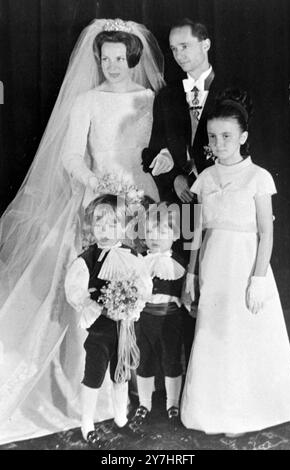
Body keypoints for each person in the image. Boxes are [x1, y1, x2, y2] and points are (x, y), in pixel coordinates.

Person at [0, 18, 164, 444]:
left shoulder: (149, 97)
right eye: (105, 58)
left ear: (132, 57)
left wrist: (142, 188)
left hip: (140, 198)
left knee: (139, 286)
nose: (112, 65)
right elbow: (72, 156)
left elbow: (155, 149)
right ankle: (83, 387)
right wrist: (100, 188)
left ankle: (131, 389)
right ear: (98, 59)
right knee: (89, 290)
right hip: (98, 202)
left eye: (119, 57)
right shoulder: (87, 101)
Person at [181, 89, 290, 436]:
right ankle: (213, 411)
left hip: (246, 267)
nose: (219, 143)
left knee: (242, 337)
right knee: (214, 336)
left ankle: (245, 413)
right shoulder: (204, 178)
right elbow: (197, 232)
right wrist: (190, 274)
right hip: (213, 269)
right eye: (213, 137)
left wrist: (258, 279)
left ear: (243, 137)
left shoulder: (258, 177)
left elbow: (266, 233)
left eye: (227, 136)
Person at [142, 18, 227, 366]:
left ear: (205, 45)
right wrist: (175, 177)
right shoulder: (166, 96)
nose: (179, 55)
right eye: (174, 49)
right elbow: (152, 152)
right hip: (187, 205)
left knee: (221, 278)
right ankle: (191, 372)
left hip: (223, 202)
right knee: (189, 285)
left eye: (185, 46)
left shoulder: (232, 89)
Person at [65, 194, 152, 447]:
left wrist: (132, 303)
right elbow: (76, 292)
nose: (105, 231)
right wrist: (96, 303)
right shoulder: (87, 259)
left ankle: (121, 419)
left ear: (124, 226)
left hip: (124, 328)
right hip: (101, 331)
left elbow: (144, 285)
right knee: (93, 375)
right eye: (99, 224)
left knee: (121, 374)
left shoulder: (132, 255)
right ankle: (87, 424)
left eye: (112, 225)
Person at [129, 202, 186, 430]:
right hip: (145, 318)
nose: (155, 237)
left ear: (175, 235)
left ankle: (173, 403)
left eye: (162, 232)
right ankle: (145, 403)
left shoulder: (179, 262)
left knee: (172, 359)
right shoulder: (139, 259)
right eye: (151, 232)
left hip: (170, 318)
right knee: (145, 361)